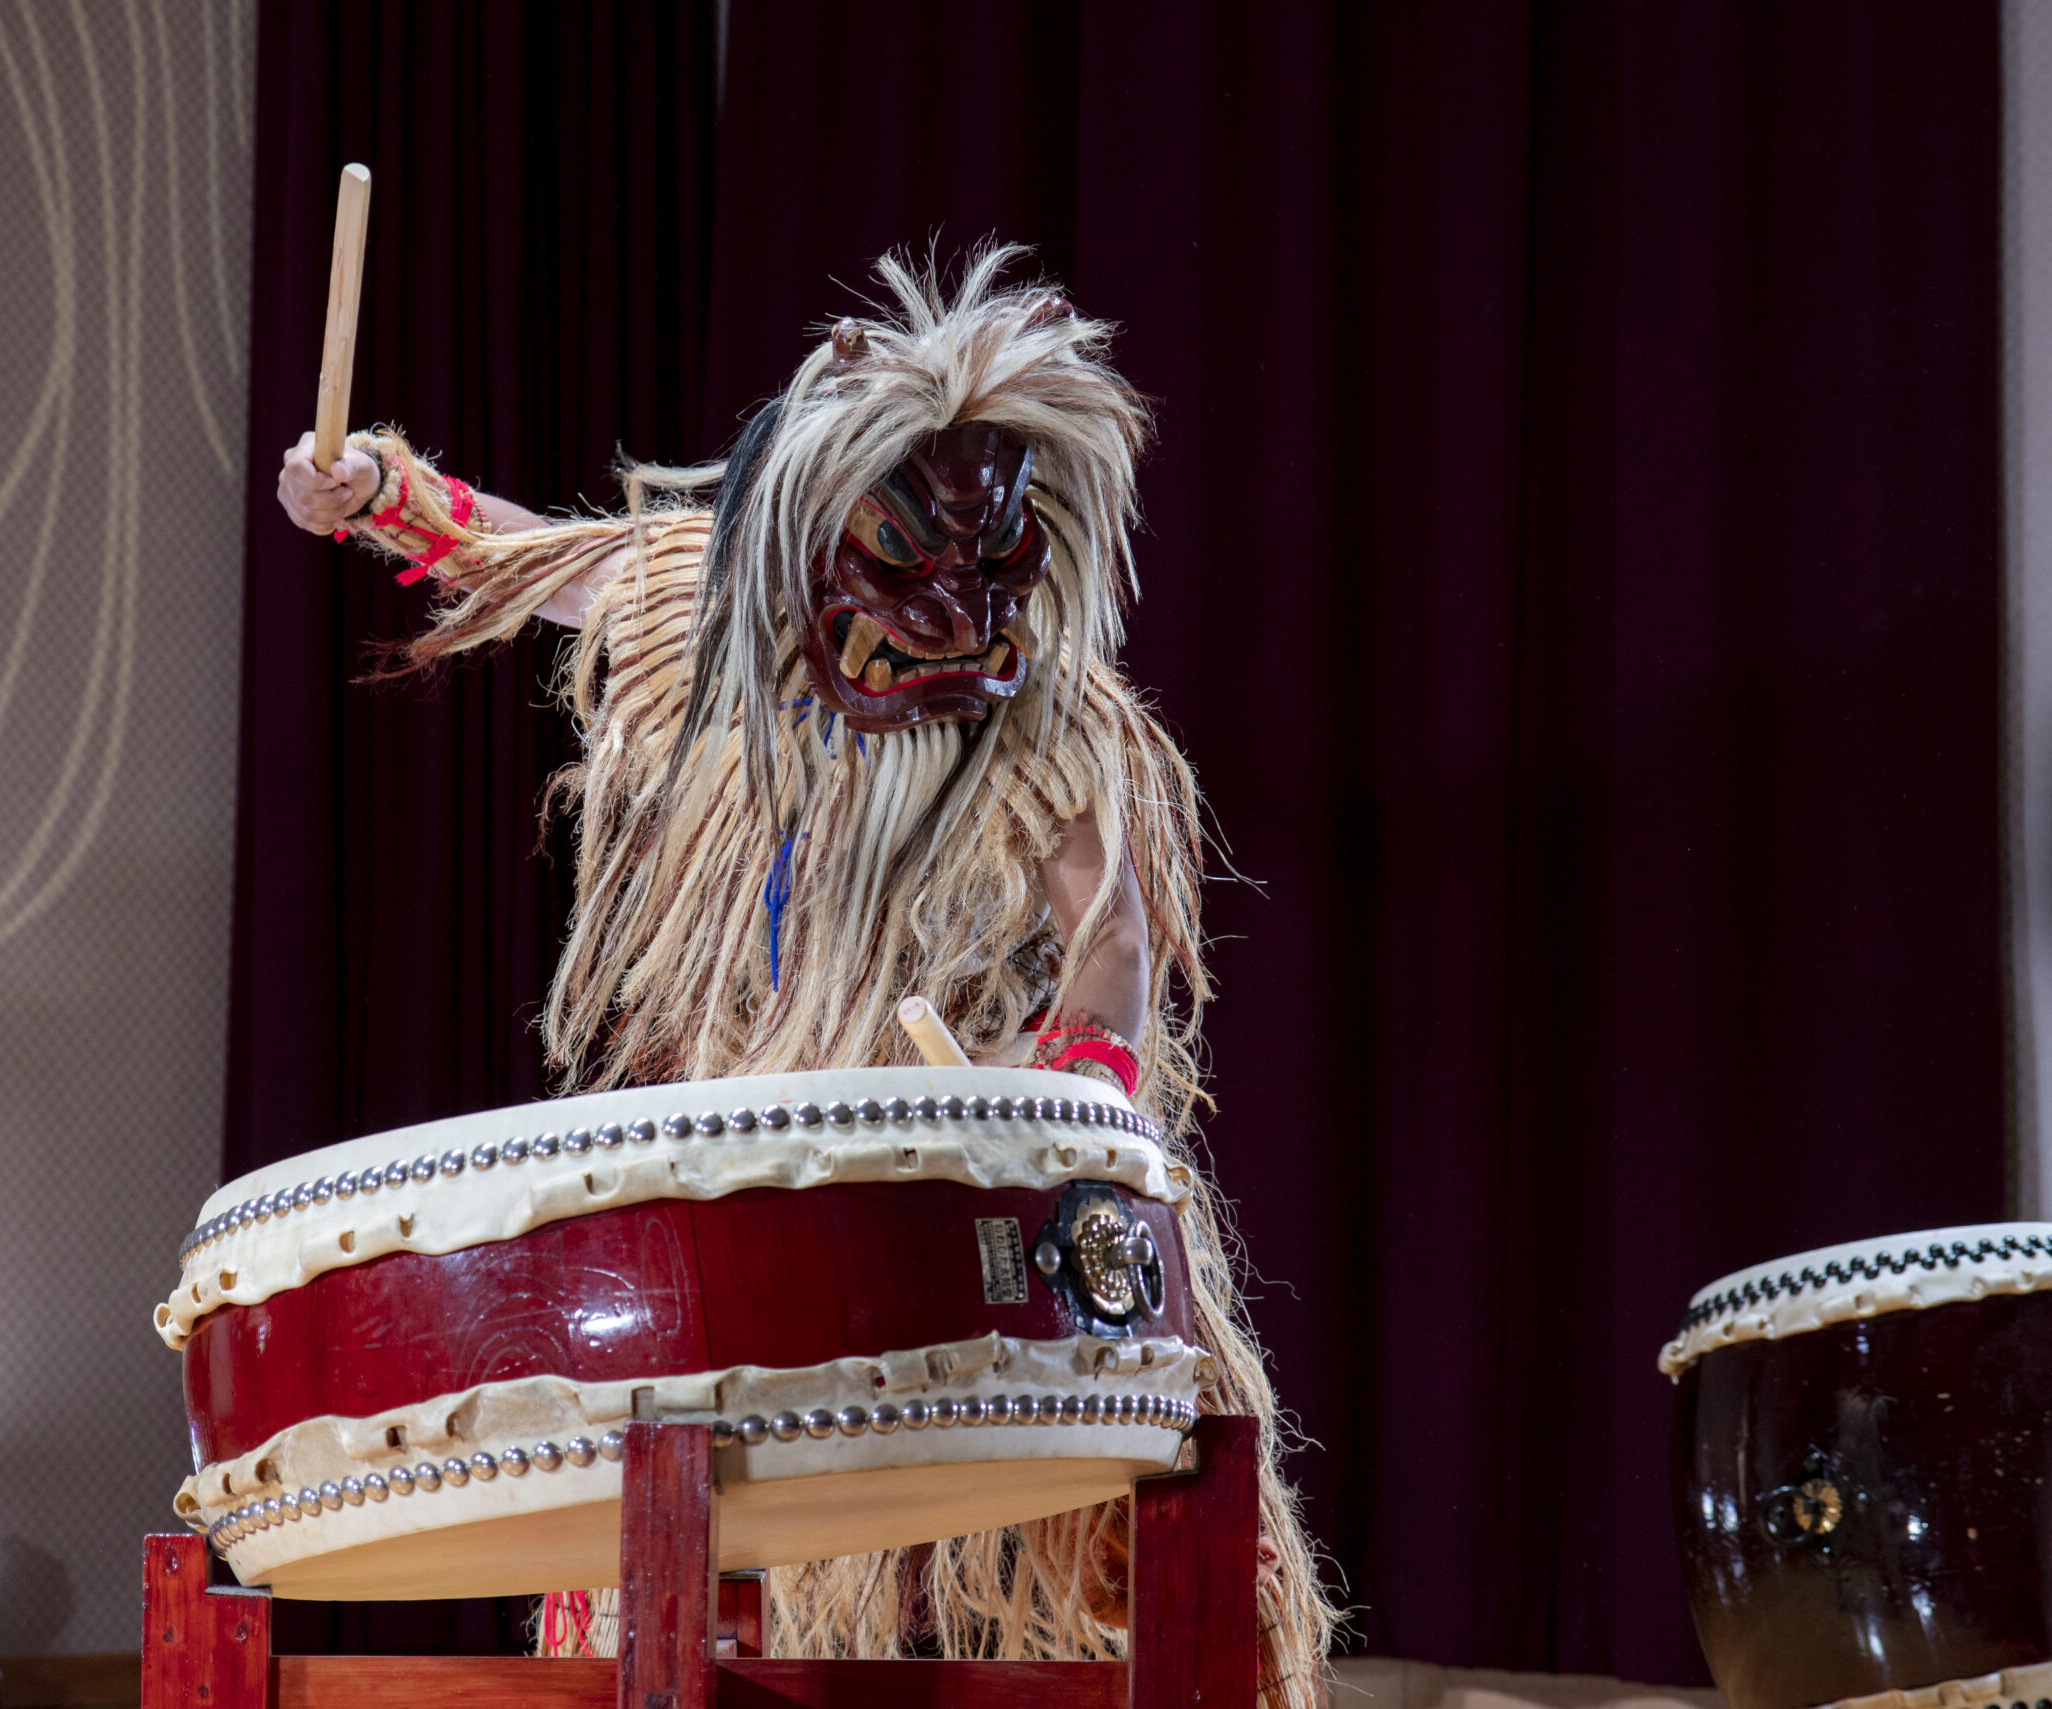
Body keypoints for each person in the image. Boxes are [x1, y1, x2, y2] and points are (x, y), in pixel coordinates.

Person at [276, 248, 1332, 1704]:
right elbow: (517, 553)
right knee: (659, 1516)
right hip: (751, 1169)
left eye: (998, 565)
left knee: (1145, 1436)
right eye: (910, 565)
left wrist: (1074, 1098)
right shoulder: (698, 613)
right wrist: (375, 494)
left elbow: (1116, 939)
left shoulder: (1065, 722)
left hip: (990, 1164)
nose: (962, 616)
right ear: (810, 540)